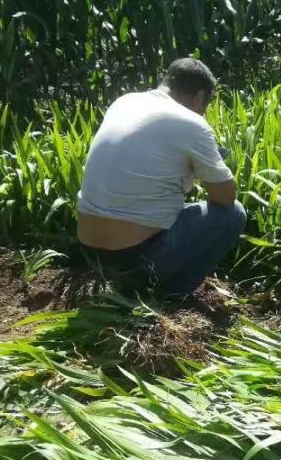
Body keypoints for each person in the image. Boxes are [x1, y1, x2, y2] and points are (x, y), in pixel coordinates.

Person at [77, 58, 246, 298]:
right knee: (233, 214)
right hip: (135, 261)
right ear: (199, 98)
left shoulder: (124, 102)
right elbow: (226, 197)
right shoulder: (192, 123)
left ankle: (129, 283)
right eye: (204, 106)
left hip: (91, 253)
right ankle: (172, 295)